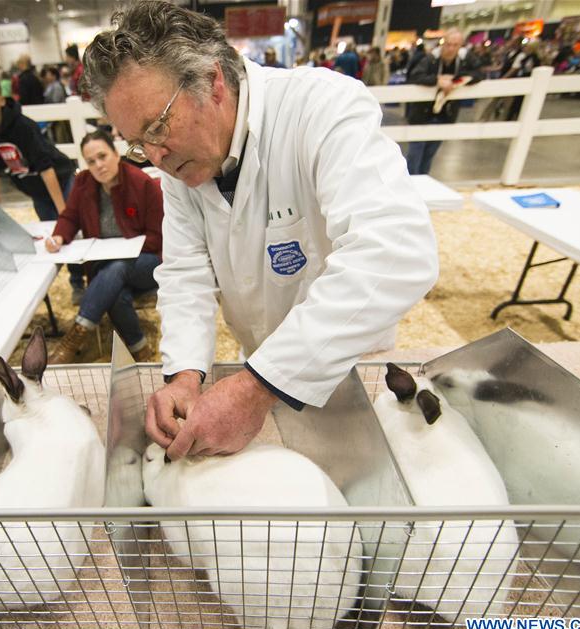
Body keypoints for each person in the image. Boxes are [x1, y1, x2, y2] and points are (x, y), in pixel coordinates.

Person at [83, 1, 438, 460]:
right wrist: (185, 374)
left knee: (356, 481)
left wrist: (257, 386)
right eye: (137, 143)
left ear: (212, 83)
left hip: (346, 354)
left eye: (157, 126)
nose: (154, 156)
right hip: (263, 366)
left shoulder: (321, 108)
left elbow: (396, 253)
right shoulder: (180, 161)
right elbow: (187, 271)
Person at [46, 130, 163, 364]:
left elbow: (158, 237)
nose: (98, 165)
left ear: (116, 153)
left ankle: (76, 335)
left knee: (117, 267)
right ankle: (140, 351)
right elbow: (70, 216)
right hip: (107, 269)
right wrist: (59, 236)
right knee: (116, 293)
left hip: (147, 262)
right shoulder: (83, 183)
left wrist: (123, 249)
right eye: (91, 161)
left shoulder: (143, 184)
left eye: (103, 156)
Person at [0, 74, 84, 300]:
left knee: (67, 229)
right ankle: (75, 281)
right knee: (50, 233)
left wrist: (64, 213)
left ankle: (79, 282)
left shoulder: (22, 125)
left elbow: (46, 168)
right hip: (34, 188)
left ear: (0, 98)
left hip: (58, 178)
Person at [406, 29, 482, 175]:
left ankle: (423, 181)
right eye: (448, 44)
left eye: (455, 45)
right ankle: (411, 183)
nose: (451, 48)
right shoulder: (430, 59)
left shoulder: (466, 60)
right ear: (443, 43)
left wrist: (456, 81)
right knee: (415, 152)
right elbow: (414, 76)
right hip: (421, 114)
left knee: (430, 153)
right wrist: (437, 81)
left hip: (445, 114)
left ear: (461, 45)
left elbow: (479, 73)